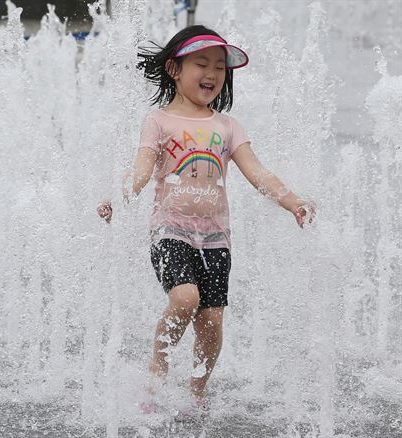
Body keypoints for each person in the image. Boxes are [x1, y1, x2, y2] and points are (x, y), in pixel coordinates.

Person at [96, 25, 315, 417]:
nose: (212, 73)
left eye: (219, 66)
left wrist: (294, 202)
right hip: (170, 229)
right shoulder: (159, 122)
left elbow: (258, 174)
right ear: (174, 69)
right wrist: (117, 197)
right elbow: (142, 171)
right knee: (185, 298)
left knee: (211, 320)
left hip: (215, 237)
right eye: (202, 63)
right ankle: (157, 373)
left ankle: (196, 390)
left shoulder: (227, 127)